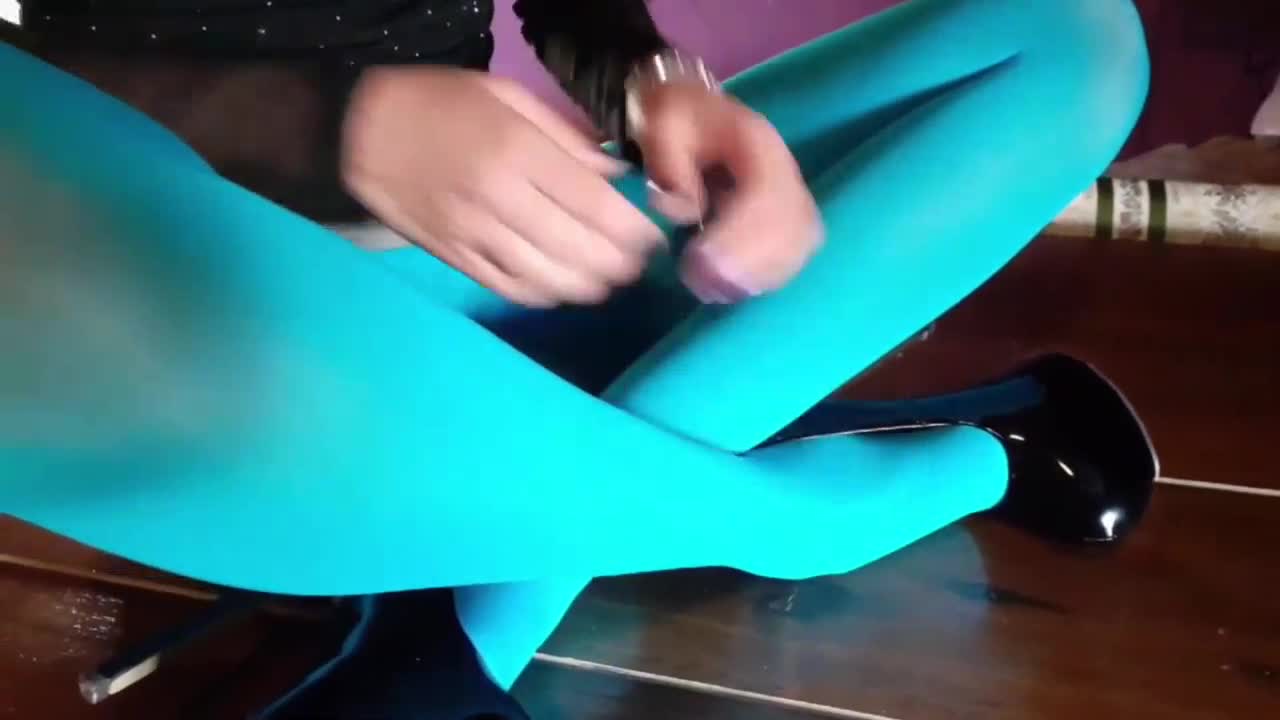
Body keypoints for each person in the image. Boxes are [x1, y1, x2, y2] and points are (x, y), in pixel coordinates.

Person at [0, 1, 1150, 718]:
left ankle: (458, 606)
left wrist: (654, 88)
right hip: (176, 314)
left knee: (1068, 39)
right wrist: (330, 127)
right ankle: (802, 513)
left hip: (499, 252)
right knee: (220, 354)